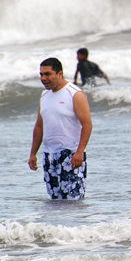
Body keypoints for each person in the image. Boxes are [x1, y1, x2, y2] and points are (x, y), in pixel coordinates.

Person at [28, 58, 93, 200]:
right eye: (41, 74)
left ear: (59, 73)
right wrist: (33, 153)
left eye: (47, 74)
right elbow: (39, 126)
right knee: (55, 202)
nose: (43, 78)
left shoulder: (75, 94)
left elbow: (87, 124)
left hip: (70, 155)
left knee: (73, 202)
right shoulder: (44, 95)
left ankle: (78, 223)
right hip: (49, 156)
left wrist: (80, 151)